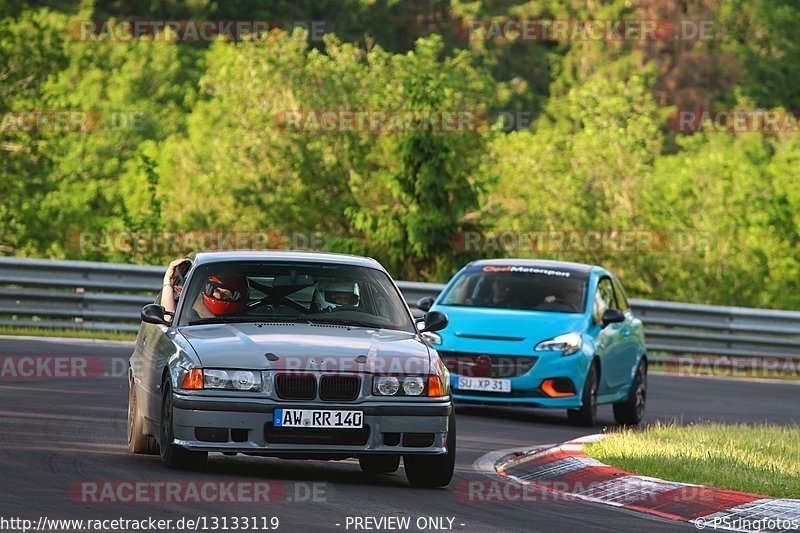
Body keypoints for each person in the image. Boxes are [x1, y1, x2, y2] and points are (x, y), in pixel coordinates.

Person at [160, 258, 249, 321]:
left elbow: (219, 335)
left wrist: (200, 307)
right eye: (215, 290)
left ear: (238, 296)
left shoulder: (245, 321)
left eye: (225, 294)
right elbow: (168, 318)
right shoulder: (187, 310)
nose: (218, 295)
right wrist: (168, 279)